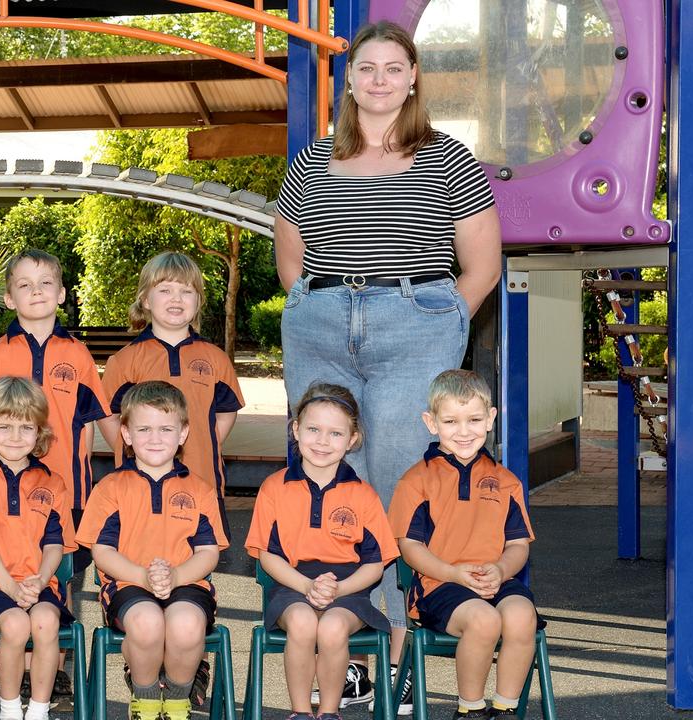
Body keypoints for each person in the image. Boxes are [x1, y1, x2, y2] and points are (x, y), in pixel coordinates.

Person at [272, 20, 502, 706]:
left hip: (415, 326)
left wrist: (438, 319)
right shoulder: (313, 161)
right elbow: (290, 252)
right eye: (366, 68)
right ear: (350, 81)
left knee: (400, 484)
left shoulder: (450, 159)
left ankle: (400, 657)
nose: (378, 79)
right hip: (320, 326)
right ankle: (349, 651)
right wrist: (311, 309)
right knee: (332, 480)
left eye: (392, 68)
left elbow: (483, 264)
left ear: (411, 79)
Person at [0, 248, 111, 706]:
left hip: (66, 486)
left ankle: (56, 670)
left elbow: (100, 419)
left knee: (59, 576)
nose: (36, 292)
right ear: (9, 298)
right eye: (24, 285)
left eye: (46, 283)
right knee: (16, 570)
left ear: (62, 294)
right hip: (7, 484)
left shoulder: (77, 353)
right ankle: (24, 674)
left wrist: (131, 470)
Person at [389, 370, 539, 720]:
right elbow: (409, 546)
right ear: (431, 422)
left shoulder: (506, 481)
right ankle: (470, 710)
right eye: (451, 421)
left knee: (521, 615)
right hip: (439, 585)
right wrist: (453, 573)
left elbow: (519, 545)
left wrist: (501, 569)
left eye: (474, 419)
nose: (464, 430)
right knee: (484, 620)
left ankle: (505, 708)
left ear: (490, 419)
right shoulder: (416, 481)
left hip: (494, 579)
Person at [245, 383, 399, 720]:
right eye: (313, 429)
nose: (322, 441)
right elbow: (267, 555)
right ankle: (301, 712)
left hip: (350, 592)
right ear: (296, 430)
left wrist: (339, 589)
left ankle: (329, 713)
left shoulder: (364, 495)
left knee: (331, 628)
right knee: (301, 622)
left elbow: (376, 565)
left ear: (352, 439)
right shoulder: (274, 488)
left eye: (334, 433)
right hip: (291, 586)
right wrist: (305, 587)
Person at [76, 381, 228, 720]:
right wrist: (143, 576)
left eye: (165, 429)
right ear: (126, 434)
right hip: (127, 583)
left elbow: (208, 552)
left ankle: (176, 701)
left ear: (183, 433)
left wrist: (175, 576)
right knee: (147, 624)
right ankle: (144, 702)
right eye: (144, 429)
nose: (155, 438)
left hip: (187, 583)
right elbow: (102, 552)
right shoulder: (111, 488)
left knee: (186, 625)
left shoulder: (200, 490)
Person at [0, 377, 77, 720]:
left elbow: (55, 543)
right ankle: (8, 711)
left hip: (36, 583)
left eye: (25, 427)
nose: (16, 437)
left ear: (39, 432)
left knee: (47, 623)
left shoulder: (52, 482)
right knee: (17, 625)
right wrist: (9, 586)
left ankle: (36, 711)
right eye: (5, 427)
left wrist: (39, 580)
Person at [101, 251, 243, 534]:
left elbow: (226, 413)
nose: (176, 299)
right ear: (145, 300)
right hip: (139, 484)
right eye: (165, 290)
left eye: (186, 291)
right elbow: (108, 416)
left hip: (201, 481)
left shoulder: (215, 359)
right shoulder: (125, 360)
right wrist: (132, 446)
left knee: (196, 560)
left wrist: (200, 441)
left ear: (198, 301)